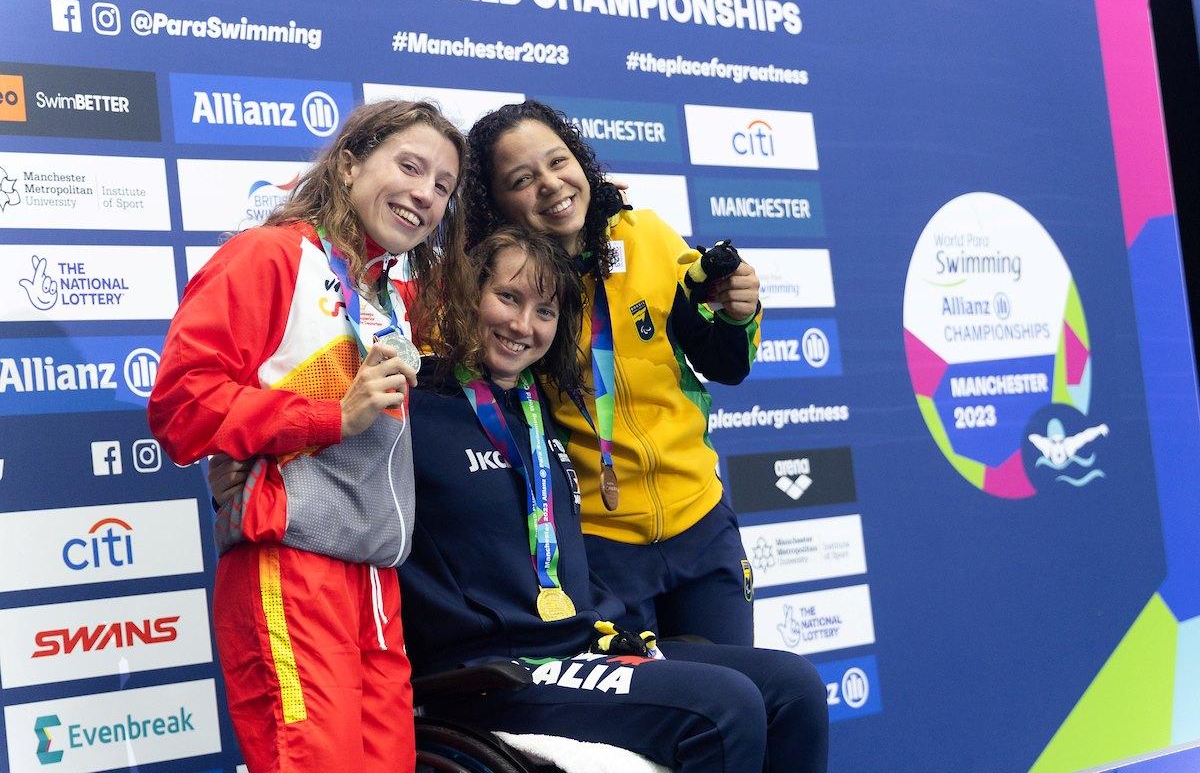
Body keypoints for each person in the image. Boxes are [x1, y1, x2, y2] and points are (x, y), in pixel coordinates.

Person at [401, 226, 828, 773]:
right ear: (464, 294)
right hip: (498, 669)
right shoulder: (412, 409)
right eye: (507, 298)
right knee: (725, 708)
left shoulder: (538, 413)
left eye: (545, 311)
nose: (522, 325)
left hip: (579, 646)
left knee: (794, 686)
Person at [148, 100, 465, 773]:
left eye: (443, 185)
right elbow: (181, 408)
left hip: (375, 582)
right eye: (408, 166)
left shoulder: (388, 297)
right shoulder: (270, 256)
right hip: (289, 566)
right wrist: (328, 417)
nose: (424, 194)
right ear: (348, 163)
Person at [462, 100, 763, 646]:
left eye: (558, 162)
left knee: (743, 703)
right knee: (648, 723)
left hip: (700, 520)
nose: (551, 186)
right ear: (496, 204)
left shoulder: (645, 234)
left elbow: (723, 362)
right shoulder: (501, 289)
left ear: (580, 159)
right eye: (522, 180)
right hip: (598, 545)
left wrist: (739, 314)